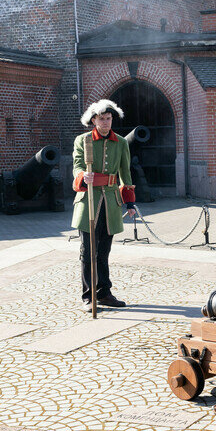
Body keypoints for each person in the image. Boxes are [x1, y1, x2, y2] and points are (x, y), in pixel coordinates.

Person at [72, 99, 136, 311]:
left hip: (110, 202)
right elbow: (77, 165)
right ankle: (88, 297)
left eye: (109, 119)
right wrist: (83, 176)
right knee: (88, 252)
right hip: (88, 201)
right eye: (102, 119)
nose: (106, 122)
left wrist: (130, 202)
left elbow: (125, 172)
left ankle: (104, 293)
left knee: (104, 252)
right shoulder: (83, 140)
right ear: (93, 120)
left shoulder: (121, 142)